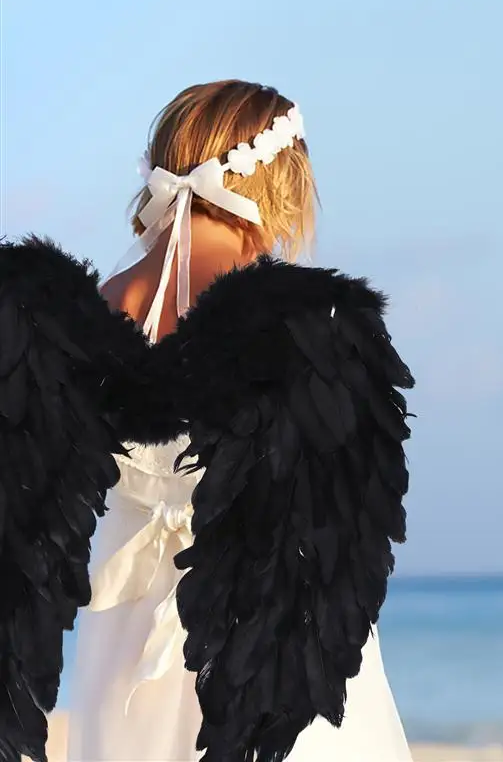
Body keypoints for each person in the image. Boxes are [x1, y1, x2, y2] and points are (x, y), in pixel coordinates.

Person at [0, 80, 414, 762]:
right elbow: (343, 518)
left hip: (123, 649)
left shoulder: (73, 315)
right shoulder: (304, 326)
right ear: (281, 180)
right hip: (265, 641)